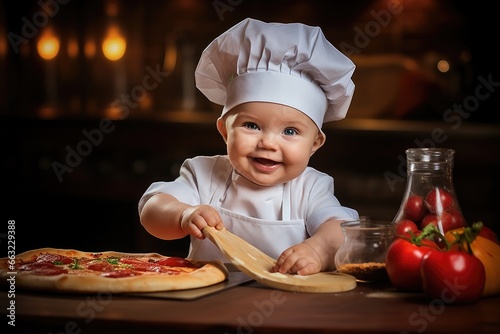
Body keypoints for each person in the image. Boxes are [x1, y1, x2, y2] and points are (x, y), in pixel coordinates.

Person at [138, 18, 358, 275]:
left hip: (285, 306)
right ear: (224, 130)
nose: (267, 142)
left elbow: (342, 232)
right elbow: (152, 210)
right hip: (208, 301)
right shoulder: (205, 174)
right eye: (252, 125)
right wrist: (184, 214)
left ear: (315, 143)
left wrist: (317, 250)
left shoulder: (310, 189)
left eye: (290, 131)